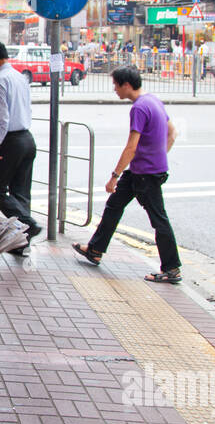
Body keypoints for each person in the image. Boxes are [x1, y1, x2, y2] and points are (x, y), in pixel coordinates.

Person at [73, 65, 182, 283]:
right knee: (114, 206)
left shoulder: (139, 108)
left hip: (145, 173)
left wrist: (115, 175)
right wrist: (158, 155)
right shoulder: (153, 100)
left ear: (126, 85)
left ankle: (172, 268)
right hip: (142, 170)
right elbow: (172, 133)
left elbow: (131, 146)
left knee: (158, 219)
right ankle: (95, 249)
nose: (114, 89)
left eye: (115, 85)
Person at [0, 39, 40, 250]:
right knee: (21, 193)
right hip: (27, 139)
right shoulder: (20, 77)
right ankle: (22, 243)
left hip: (11, 141)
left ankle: (28, 224)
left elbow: (2, 117)